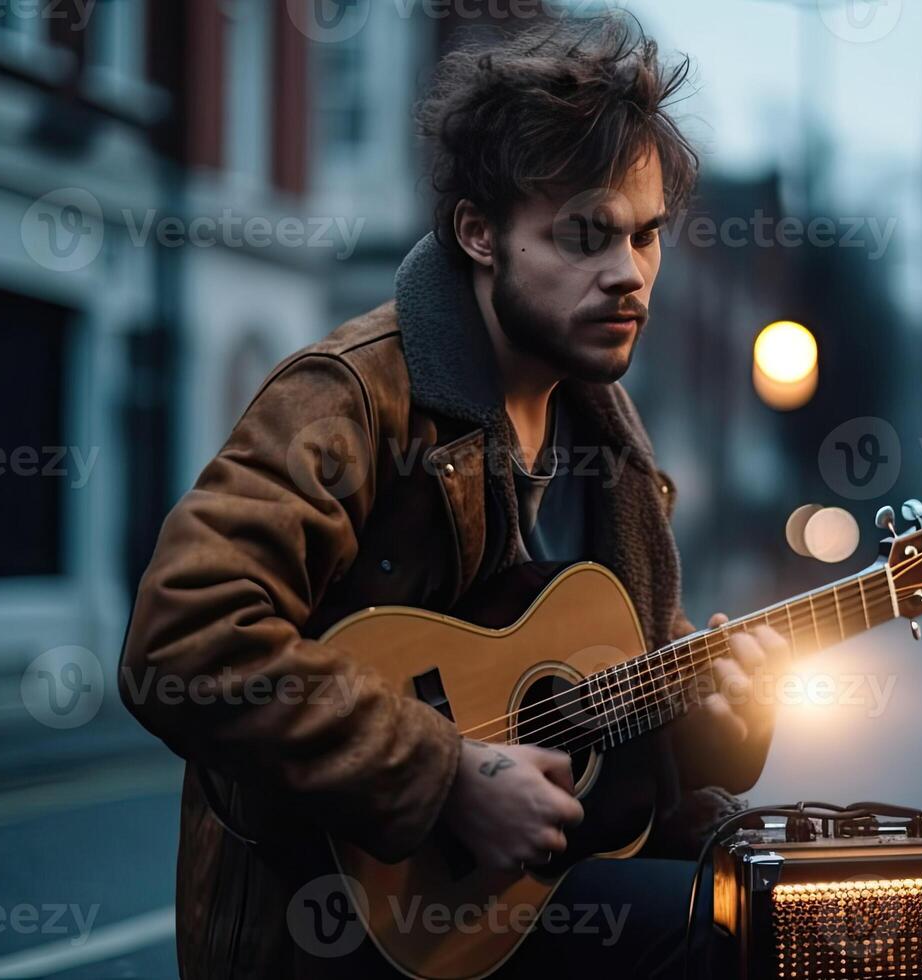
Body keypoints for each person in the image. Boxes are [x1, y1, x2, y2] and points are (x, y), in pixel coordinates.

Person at [118, 13, 786, 980]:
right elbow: (180, 640)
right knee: (723, 935)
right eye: (584, 236)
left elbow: (614, 705)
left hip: (522, 899)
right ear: (479, 233)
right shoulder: (347, 398)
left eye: (646, 238)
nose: (628, 275)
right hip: (339, 927)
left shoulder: (613, 447)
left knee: (798, 904)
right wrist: (442, 777)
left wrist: (720, 728)